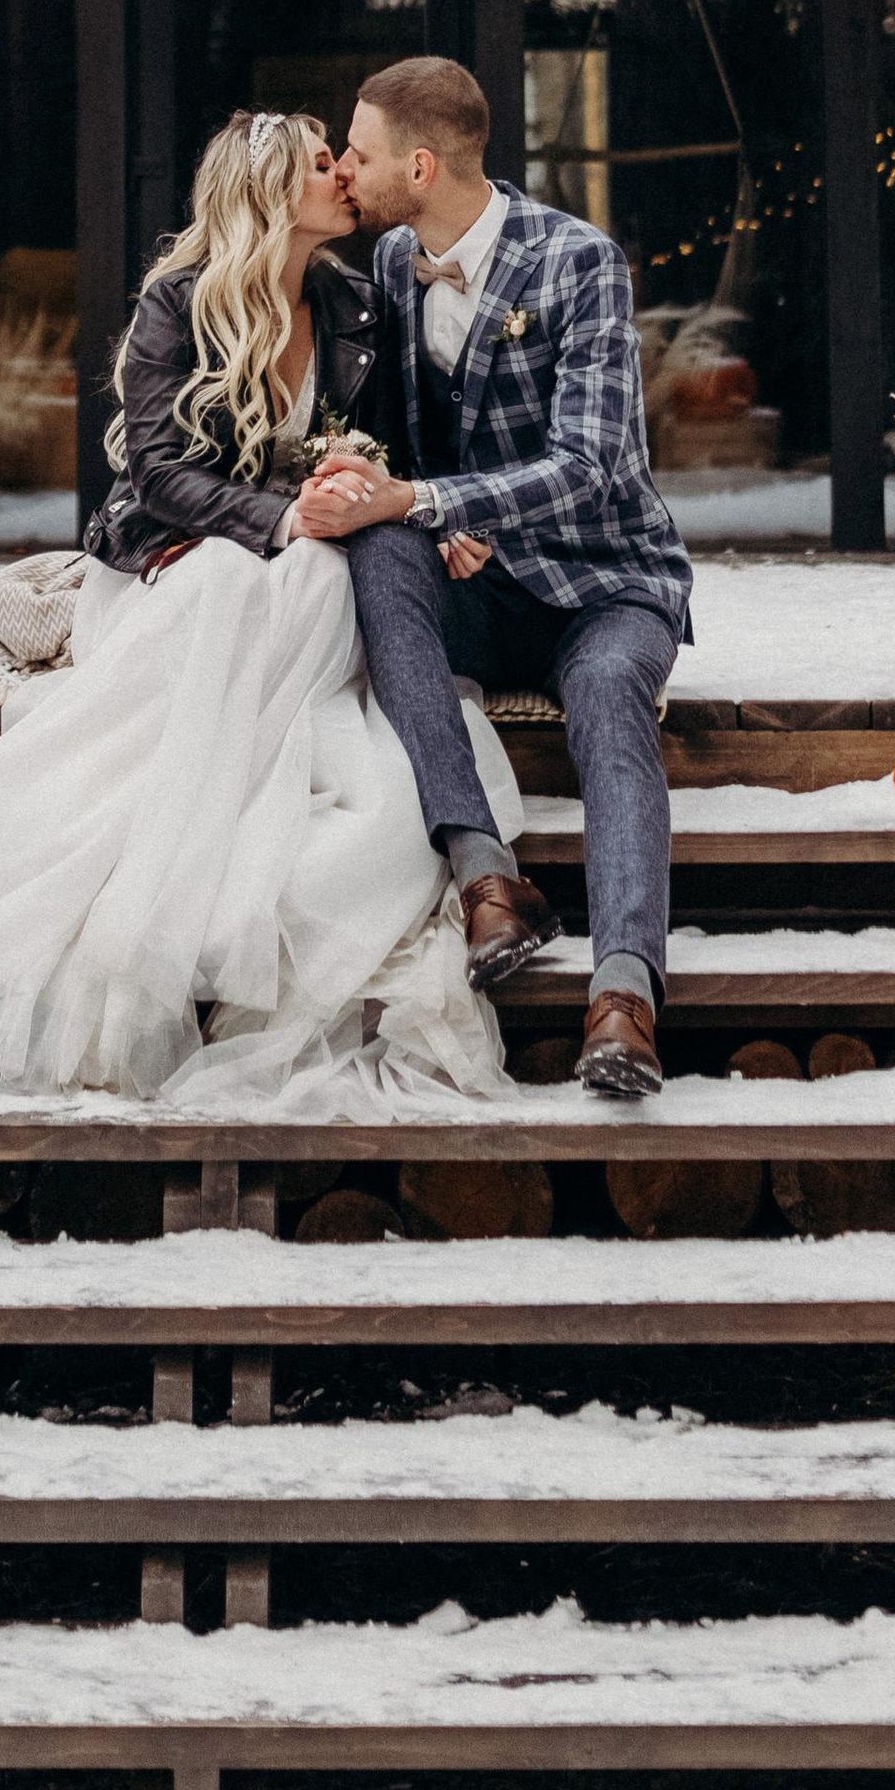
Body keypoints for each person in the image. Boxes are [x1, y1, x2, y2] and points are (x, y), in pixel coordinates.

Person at [0, 107, 518, 1107]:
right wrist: (285, 517)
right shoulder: (176, 304)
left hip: (299, 577)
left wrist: (396, 500)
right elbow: (155, 469)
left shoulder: (358, 305)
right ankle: (196, 797)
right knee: (246, 577)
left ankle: (244, 773)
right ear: (271, 193)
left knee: (323, 576)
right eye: (325, 166)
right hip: (175, 565)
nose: (345, 179)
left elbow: (400, 449)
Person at [293, 55, 693, 1103]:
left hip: (604, 583)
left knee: (608, 694)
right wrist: (409, 501)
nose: (345, 166)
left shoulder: (579, 262)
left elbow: (592, 465)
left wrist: (434, 504)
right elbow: (405, 448)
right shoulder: (386, 263)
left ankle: (623, 998)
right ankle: (487, 878)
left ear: (419, 167)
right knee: (380, 554)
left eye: (363, 153)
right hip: (475, 584)